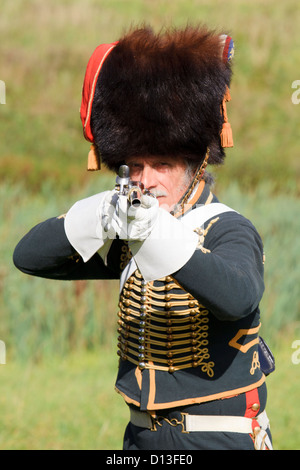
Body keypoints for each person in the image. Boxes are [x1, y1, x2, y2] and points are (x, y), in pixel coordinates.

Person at [13, 25, 273, 450]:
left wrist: (155, 232)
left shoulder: (227, 227)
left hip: (216, 439)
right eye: (134, 165)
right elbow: (30, 257)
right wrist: (98, 215)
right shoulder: (129, 232)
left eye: (163, 164)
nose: (146, 180)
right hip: (140, 438)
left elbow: (239, 296)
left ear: (195, 162)